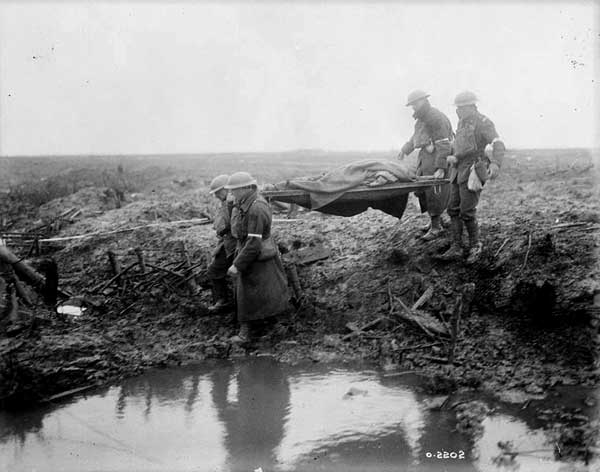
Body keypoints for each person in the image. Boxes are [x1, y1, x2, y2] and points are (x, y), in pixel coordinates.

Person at [440, 91, 505, 264]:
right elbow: (461, 147)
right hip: (457, 170)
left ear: (471, 106)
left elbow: (498, 143)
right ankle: (456, 246)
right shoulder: (461, 122)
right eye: (457, 108)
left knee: (467, 211)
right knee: (453, 208)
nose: (458, 111)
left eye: (461, 108)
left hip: (473, 170)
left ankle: (476, 245)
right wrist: (454, 156)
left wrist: (495, 164)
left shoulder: (483, 122)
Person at [225, 172, 289, 342]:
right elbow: (237, 229)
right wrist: (231, 206)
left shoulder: (256, 208)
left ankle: (247, 333)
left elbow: (254, 242)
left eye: (234, 190)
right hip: (253, 255)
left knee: (252, 295)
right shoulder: (245, 204)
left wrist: (237, 265)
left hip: (258, 257)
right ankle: (273, 327)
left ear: (246, 188)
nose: (232, 193)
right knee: (259, 294)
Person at [399, 90, 453, 241]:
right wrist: (405, 150)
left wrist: (441, 167)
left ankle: (436, 227)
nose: (413, 107)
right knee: (423, 191)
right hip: (425, 159)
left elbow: (443, 143)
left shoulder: (435, 117)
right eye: (412, 104)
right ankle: (434, 221)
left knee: (434, 192)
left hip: (436, 158)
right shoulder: (422, 119)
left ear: (423, 100)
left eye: (415, 103)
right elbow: (415, 138)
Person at [206, 174, 236, 313]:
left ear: (226, 189)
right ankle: (223, 301)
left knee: (217, 270)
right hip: (226, 242)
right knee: (214, 270)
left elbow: (232, 224)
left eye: (218, 192)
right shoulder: (224, 203)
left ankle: (226, 302)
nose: (216, 195)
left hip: (236, 244)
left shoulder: (233, 202)